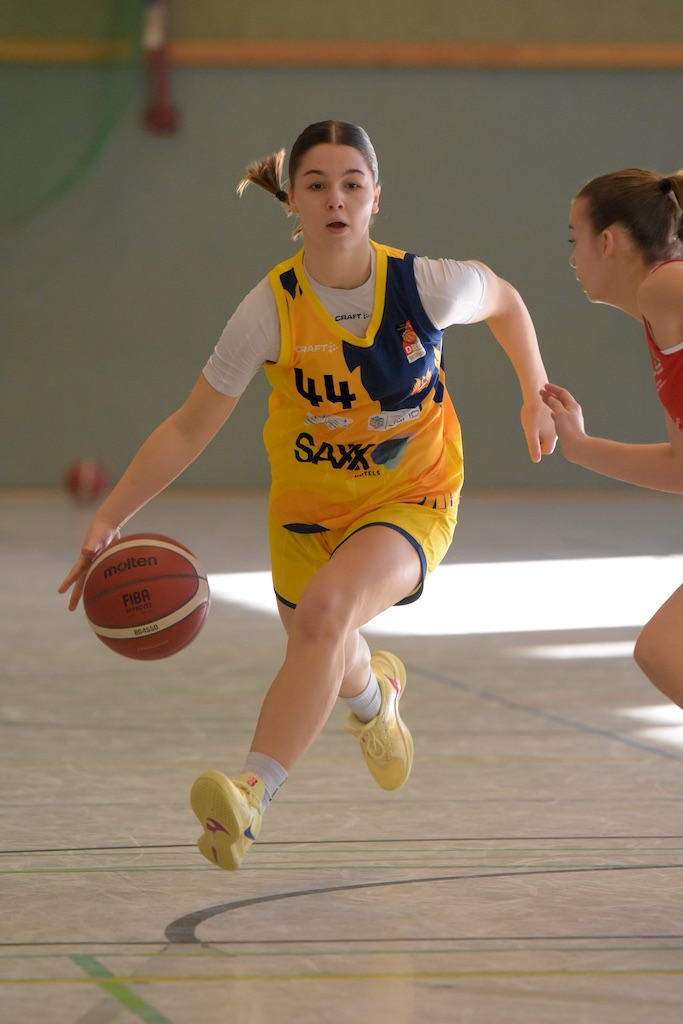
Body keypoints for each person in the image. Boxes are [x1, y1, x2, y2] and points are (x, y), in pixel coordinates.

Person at [59, 120, 556, 870]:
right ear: (292, 199)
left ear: (375, 198)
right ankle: (374, 698)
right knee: (323, 640)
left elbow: (506, 300)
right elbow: (192, 426)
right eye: (317, 184)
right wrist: (109, 516)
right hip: (305, 514)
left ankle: (250, 795)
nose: (336, 199)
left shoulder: (426, 285)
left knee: (324, 614)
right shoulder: (268, 309)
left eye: (352, 183)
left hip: (412, 495)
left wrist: (532, 391)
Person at [541, 168, 683, 708]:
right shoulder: (660, 321)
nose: (572, 259)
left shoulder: (664, 286)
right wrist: (580, 447)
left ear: (608, 241)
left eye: (573, 240)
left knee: (665, 649)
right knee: (662, 650)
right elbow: (680, 468)